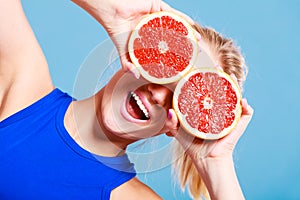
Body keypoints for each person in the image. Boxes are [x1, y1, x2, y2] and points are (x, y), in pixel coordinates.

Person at [0, 0, 254, 200]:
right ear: (137, 54)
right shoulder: (22, 82)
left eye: (182, 97)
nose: (159, 93)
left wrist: (215, 164)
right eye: (165, 68)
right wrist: (110, 9)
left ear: (178, 126)